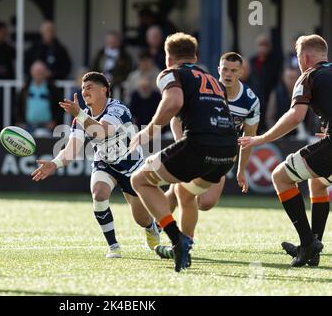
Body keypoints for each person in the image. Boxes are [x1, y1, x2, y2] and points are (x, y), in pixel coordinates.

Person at [129, 33, 238, 272]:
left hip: (200, 144)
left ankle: (177, 239)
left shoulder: (171, 73)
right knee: (185, 193)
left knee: (139, 180)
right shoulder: (213, 79)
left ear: (168, 58)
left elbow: (173, 102)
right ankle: (186, 245)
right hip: (229, 151)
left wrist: (148, 132)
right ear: (195, 57)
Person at [31, 72, 161, 258]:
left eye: (89, 87)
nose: (84, 92)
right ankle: (113, 246)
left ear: (104, 89)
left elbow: (101, 131)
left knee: (142, 219)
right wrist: (55, 163)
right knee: (99, 194)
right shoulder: (81, 118)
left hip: (131, 166)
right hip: (104, 162)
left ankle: (151, 228)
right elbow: (71, 149)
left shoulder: (117, 109)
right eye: (83, 88)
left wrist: (78, 113)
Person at [153, 52, 260, 260]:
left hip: (220, 152)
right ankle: (176, 241)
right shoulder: (206, 87)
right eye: (225, 69)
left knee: (206, 203)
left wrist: (241, 170)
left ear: (241, 72)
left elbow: (249, 138)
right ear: (218, 69)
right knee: (186, 194)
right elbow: (176, 118)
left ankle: (169, 221)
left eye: (233, 70)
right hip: (195, 147)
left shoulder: (250, 100)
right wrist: (181, 143)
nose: (228, 74)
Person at [239, 34, 331, 267]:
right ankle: (314, 247)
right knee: (318, 181)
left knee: (280, 176)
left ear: (306, 57)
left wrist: (261, 138)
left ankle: (307, 243)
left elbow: (295, 116)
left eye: (299, 56)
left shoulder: (308, 76)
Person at [16, 60, 64, 135]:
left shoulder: (52, 87)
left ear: (46, 72)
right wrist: (20, 122)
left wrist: (54, 121)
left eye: (41, 71)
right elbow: (17, 105)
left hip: (47, 127)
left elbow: (61, 106)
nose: (38, 73)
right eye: (36, 71)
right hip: (28, 127)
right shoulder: (25, 87)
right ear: (31, 72)